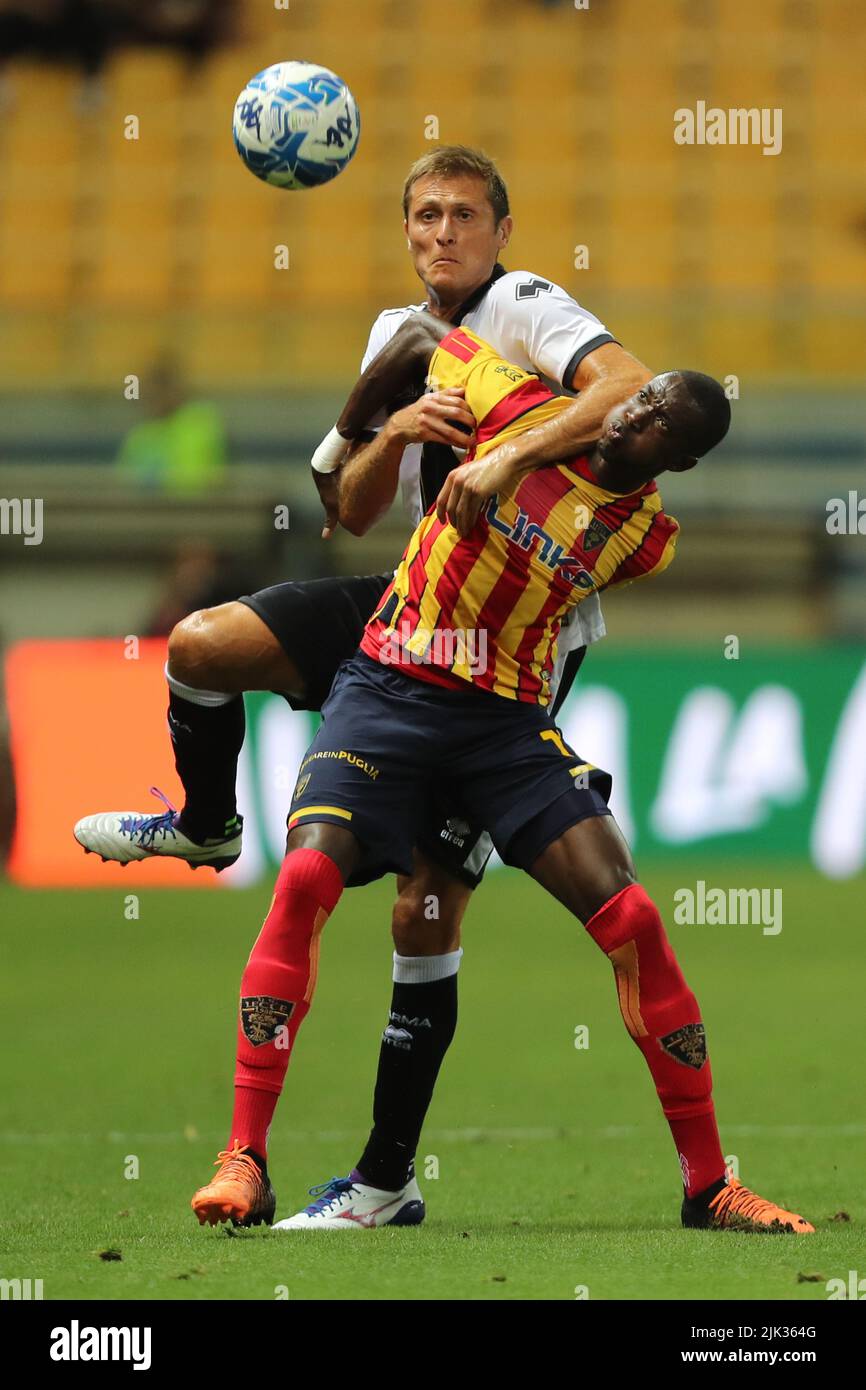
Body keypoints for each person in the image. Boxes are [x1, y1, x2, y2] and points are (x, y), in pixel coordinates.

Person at [75, 147, 653, 1212]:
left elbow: (626, 391)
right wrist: (389, 425)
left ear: (501, 232)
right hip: (404, 607)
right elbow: (345, 507)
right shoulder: (400, 337)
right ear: (404, 232)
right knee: (200, 646)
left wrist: (507, 456)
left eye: (464, 215)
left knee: (422, 914)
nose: (442, 233)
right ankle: (208, 824)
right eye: (425, 215)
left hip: (507, 653)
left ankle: (384, 1180)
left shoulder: (523, 306)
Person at [190, 318, 813, 1237]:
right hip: (389, 684)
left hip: (504, 726)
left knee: (632, 915)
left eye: (655, 427)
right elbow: (411, 337)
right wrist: (354, 441)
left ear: (675, 463)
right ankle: (244, 1159)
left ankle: (709, 1184)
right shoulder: (516, 401)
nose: (628, 420)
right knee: (307, 876)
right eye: (638, 399)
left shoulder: (646, 539)